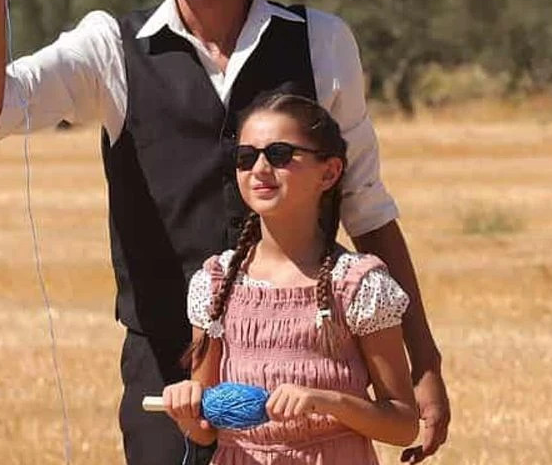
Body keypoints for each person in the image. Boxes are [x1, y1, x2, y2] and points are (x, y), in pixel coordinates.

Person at [0, 0, 449, 464]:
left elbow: (367, 210)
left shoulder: (320, 42)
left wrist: (424, 364)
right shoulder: (111, 46)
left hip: (311, 373)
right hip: (170, 374)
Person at [161, 92, 418, 463]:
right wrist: (185, 411)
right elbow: (205, 429)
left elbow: (403, 425)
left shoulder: (358, 285)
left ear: (329, 173)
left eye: (279, 154)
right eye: (245, 157)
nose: (259, 169)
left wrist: (328, 402)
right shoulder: (216, 283)